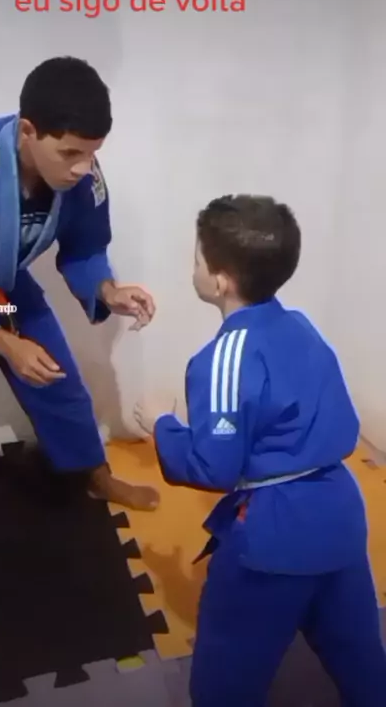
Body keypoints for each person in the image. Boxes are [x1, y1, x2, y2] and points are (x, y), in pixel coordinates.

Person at [135, 195, 386, 706]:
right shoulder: (301, 326)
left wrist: (162, 424)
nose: (193, 268)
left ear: (220, 280)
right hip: (340, 514)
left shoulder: (222, 358)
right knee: (361, 658)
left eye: (197, 259)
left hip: (274, 537)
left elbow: (212, 466)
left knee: (224, 681)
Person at [0, 56, 160, 546]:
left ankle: (93, 475)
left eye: (92, 153)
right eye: (70, 153)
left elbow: (85, 248)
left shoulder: (84, 174)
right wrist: (3, 342)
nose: (82, 167)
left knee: (58, 379)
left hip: (2, 282)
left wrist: (108, 290)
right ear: (28, 131)